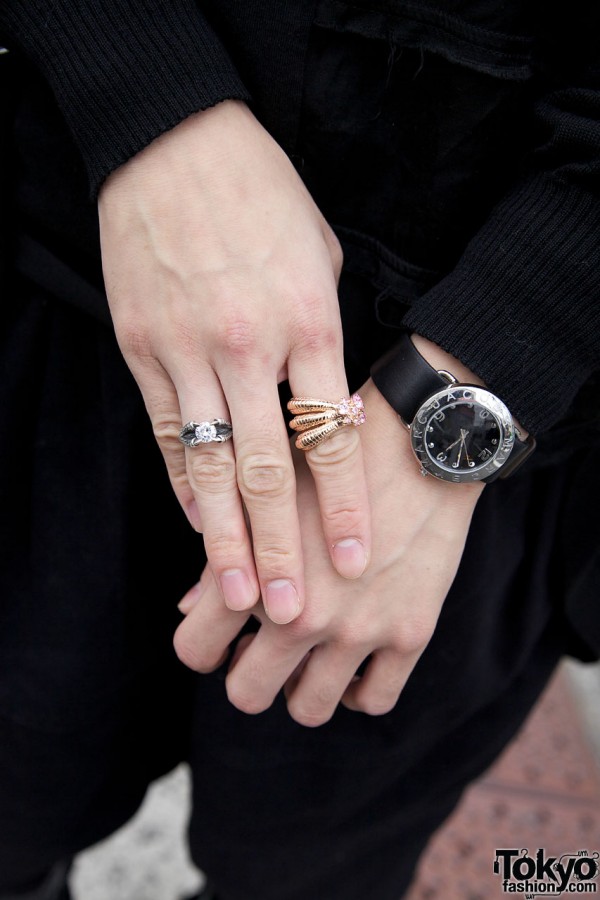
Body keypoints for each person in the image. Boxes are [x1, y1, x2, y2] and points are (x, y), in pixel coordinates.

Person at [0, 2, 598, 899]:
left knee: (308, 866)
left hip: (492, 453)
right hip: (85, 269)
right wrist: (147, 99)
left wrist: (493, 368)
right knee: (14, 799)